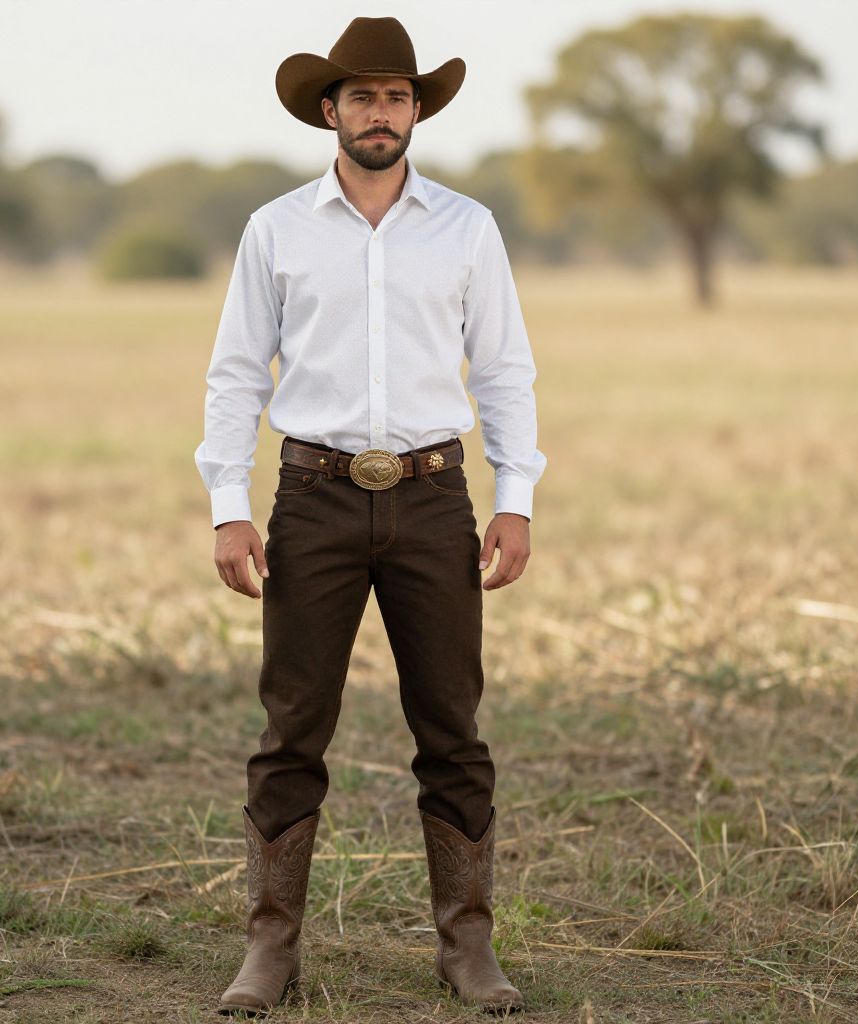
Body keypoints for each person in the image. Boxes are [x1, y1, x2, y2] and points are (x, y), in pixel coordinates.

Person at [194, 16, 547, 1016]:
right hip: (310, 498)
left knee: (451, 725)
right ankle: (269, 949)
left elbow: (505, 369)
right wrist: (229, 504)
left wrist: (514, 498)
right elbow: (234, 373)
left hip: (436, 499)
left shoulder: (467, 227)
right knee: (291, 726)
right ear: (329, 111)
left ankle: (467, 948)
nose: (381, 113)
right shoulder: (276, 227)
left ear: (416, 110)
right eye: (363, 97)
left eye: (397, 97)